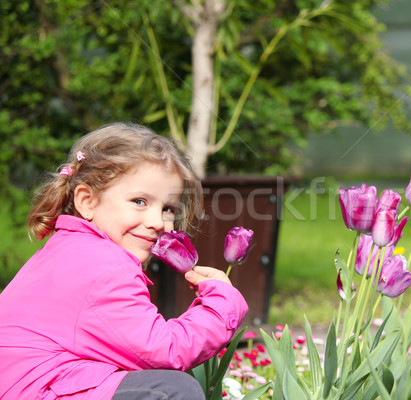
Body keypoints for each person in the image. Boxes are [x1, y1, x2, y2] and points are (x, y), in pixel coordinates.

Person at [0, 122, 249, 399]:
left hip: (31, 384)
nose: (157, 222)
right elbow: (165, 351)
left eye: (167, 208)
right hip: (34, 391)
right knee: (172, 391)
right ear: (87, 201)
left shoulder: (68, 248)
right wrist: (222, 302)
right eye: (139, 201)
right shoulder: (104, 265)